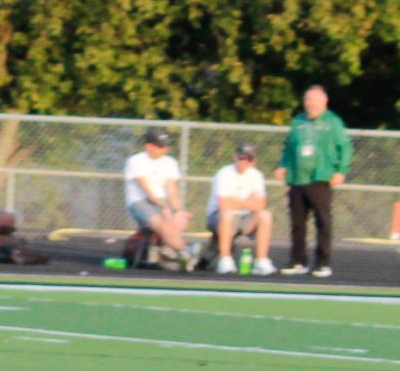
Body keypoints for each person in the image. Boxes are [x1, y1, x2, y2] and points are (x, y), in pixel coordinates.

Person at [274, 85, 352, 278]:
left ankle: (322, 263)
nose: (310, 104)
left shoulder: (333, 123)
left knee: (323, 222)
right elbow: (288, 148)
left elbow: (346, 148)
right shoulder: (297, 122)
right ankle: (297, 261)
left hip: (320, 178)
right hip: (297, 179)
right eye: (308, 100)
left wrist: (341, 171)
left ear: (324, 101)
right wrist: (283, 165)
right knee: (297, 223)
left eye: (315, 100)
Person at [123, 127, 192, 269]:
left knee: (180, 219)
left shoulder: (170, 162)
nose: (164, 150)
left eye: (165, 146)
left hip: (161, 202)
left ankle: (167, 251)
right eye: (160, 146)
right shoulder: (135, 161)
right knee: (162, 223)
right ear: (149, 146)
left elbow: (172, 189)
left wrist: (177, 210)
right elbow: (147, 191)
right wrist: (165, 208)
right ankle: (183, 251)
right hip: (140, 202)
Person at [205, 143, 276, 275]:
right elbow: (223, 204)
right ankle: (225, 260)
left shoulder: (256, 175)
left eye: (249, 159)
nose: (244, 162)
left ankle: (261, 260)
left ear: (254, 161)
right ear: (235, 157)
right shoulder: (224, 173)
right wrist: (249, 202)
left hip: (244, 218)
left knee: (265, 216)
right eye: (241, 158)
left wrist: (237, 201)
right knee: (227, 214)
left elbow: (261, 205)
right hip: (219, 218)